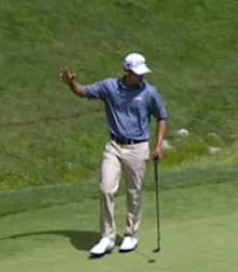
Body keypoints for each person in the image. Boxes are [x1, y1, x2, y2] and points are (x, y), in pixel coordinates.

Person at [59, 52, 168, 257]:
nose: (141, 77)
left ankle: (131, 235)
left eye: (143, 72)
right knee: (106, 188)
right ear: (126, 71)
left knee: (134, 193)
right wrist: (71, 84)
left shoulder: (150, 92)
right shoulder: (109, 87)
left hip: (138, 148)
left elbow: (162, 117)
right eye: (137, 73)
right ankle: (107, 238)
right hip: (114, 147)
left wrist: (158, 146)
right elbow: (83, 91)